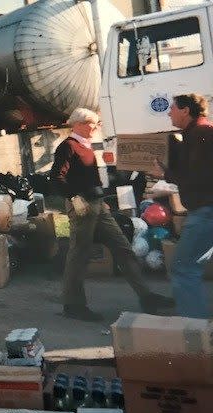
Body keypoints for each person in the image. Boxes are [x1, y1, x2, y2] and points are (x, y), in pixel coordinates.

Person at [51, 108, 173, 321]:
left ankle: (147, 296)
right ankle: (73, 305)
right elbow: (56, 176)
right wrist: (74, 197)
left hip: (96, 204)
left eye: (97, 124)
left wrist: (101, 202)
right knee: (79, 255)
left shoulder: (85, 146)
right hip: (82, 206)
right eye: (92, 123)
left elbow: (89, 177)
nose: (96, 127)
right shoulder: (68, 146)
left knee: (123, 249)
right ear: (78, 124)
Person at [152, 94, 213, 319]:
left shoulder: (201, 135)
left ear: (186, 110)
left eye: (173, 109)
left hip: (206, 211)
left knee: (183, 267)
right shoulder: (196, 134)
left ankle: (195, 329)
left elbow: (199, 177)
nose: (169, 113)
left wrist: (166, 174)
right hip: (205, 210)